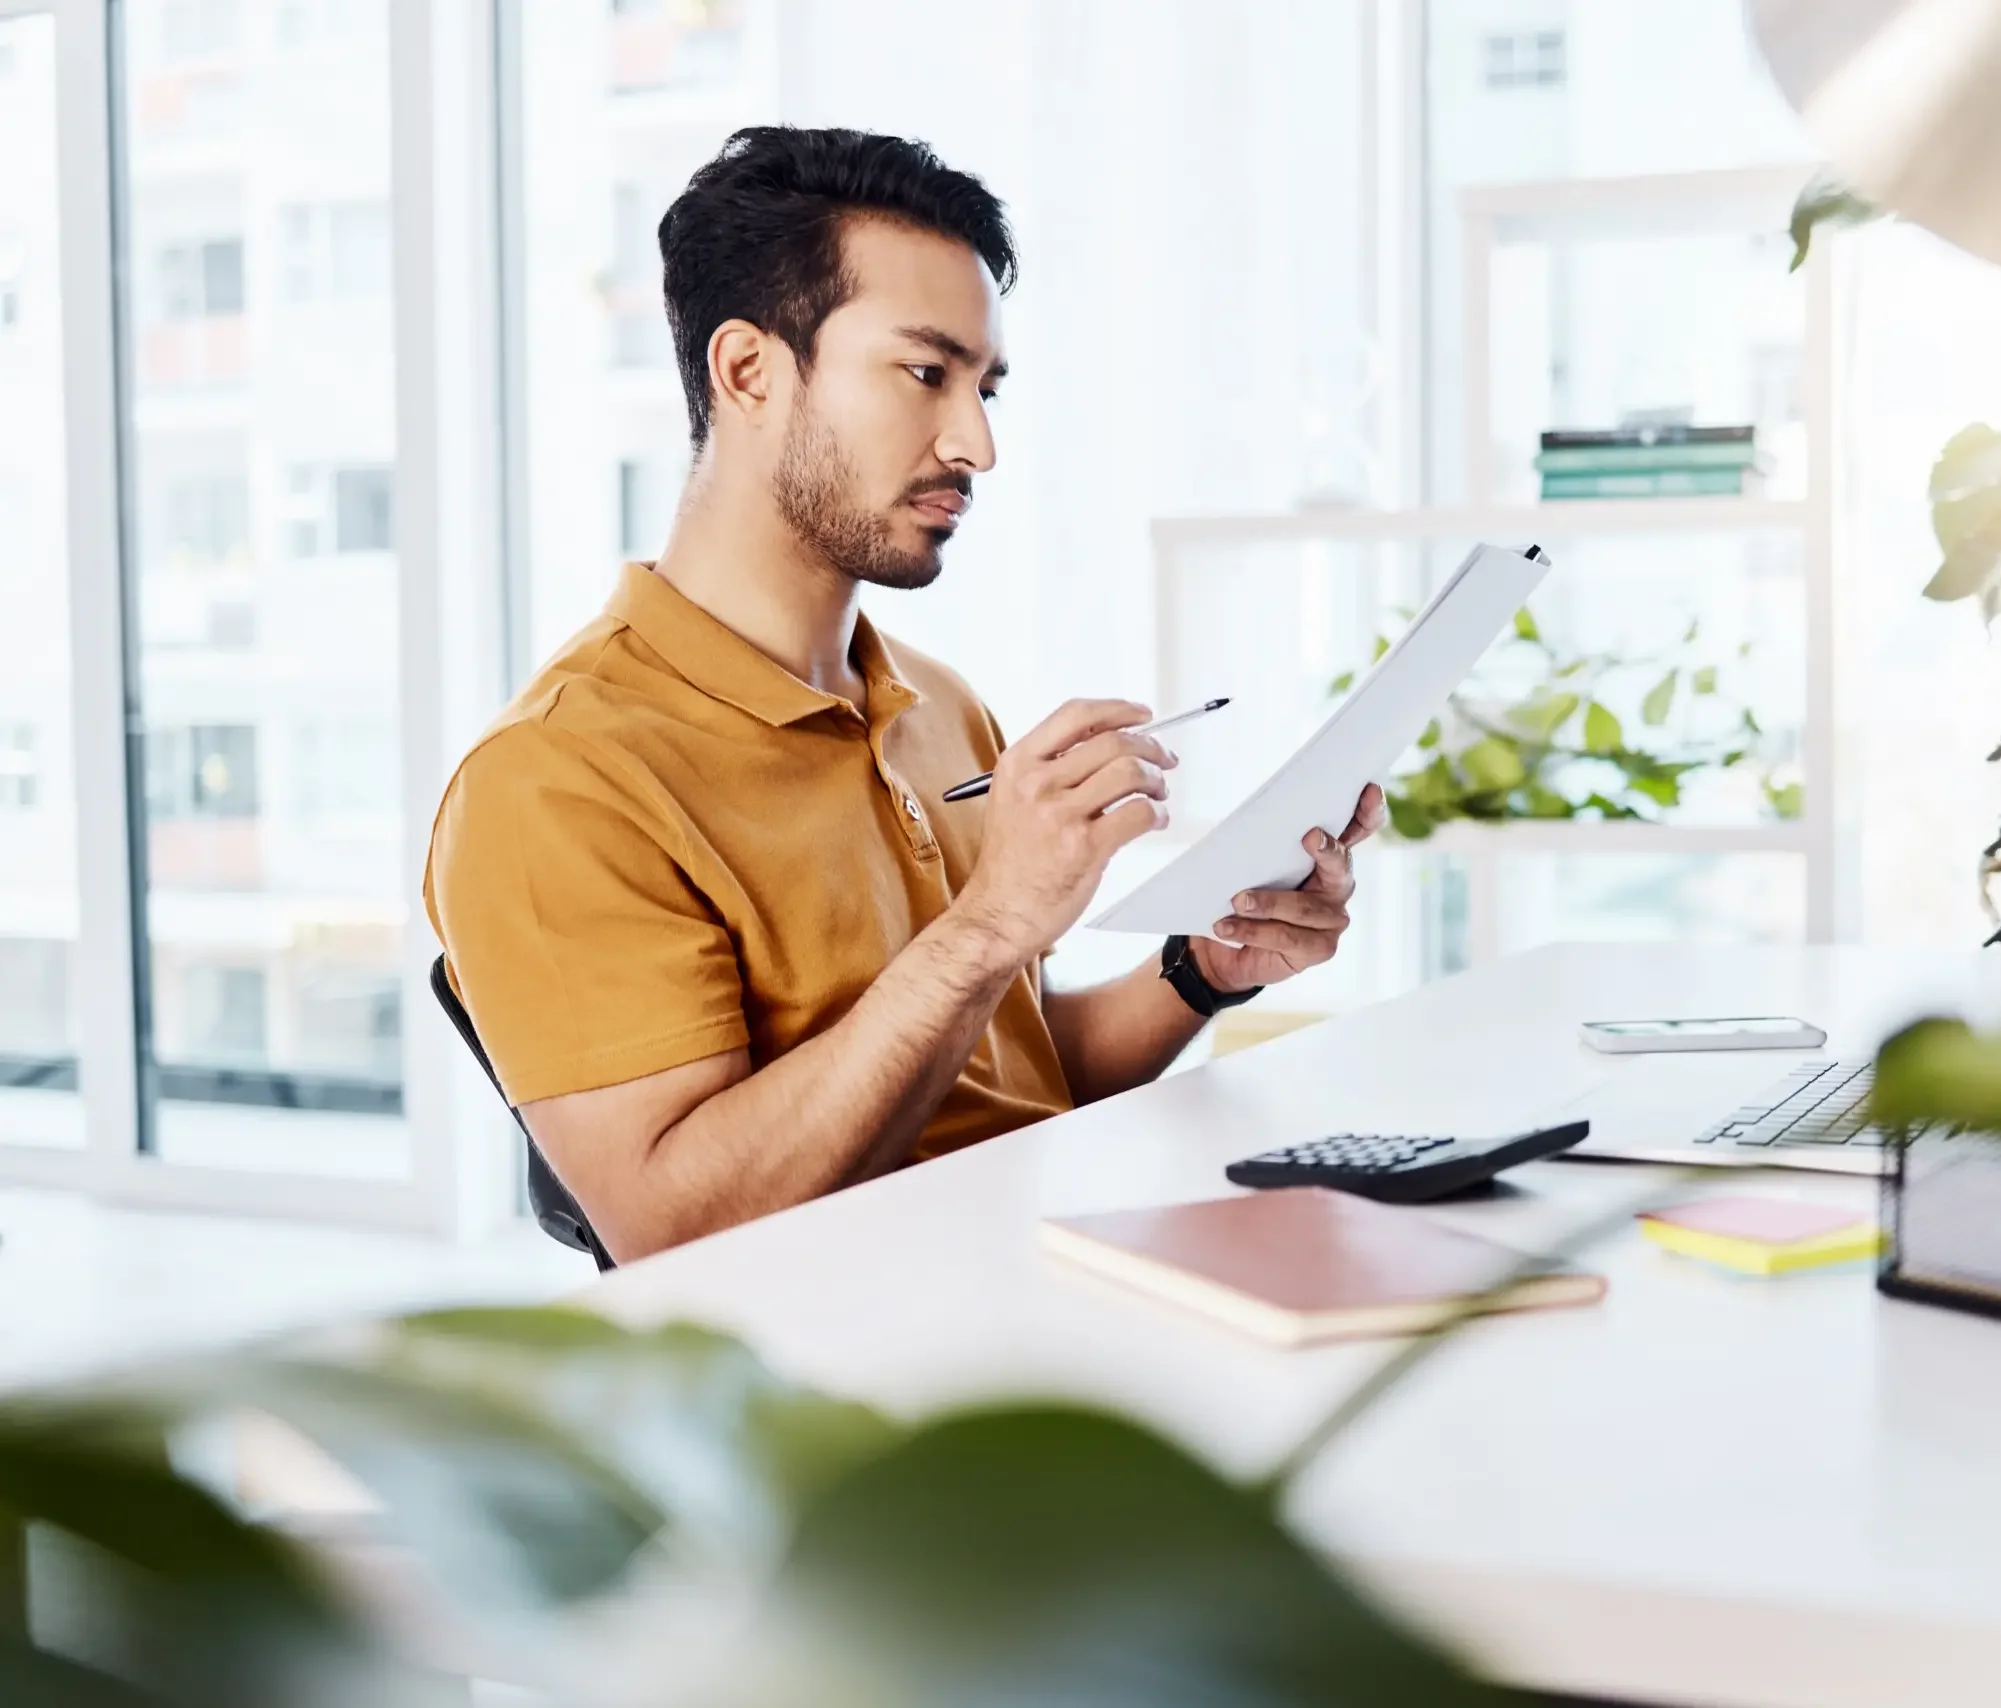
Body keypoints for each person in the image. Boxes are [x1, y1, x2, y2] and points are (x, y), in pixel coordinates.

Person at [425, 127, 1381, 1261]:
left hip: (1053, 1274)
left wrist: (1204, 969)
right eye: (926, 374)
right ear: (749, 372)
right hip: (867, 1384)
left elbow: (1001, 1077)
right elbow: (672, 1231)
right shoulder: (557, 781)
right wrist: (986, 930)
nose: (975, 442)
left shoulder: (939, 706)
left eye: (985, 387)